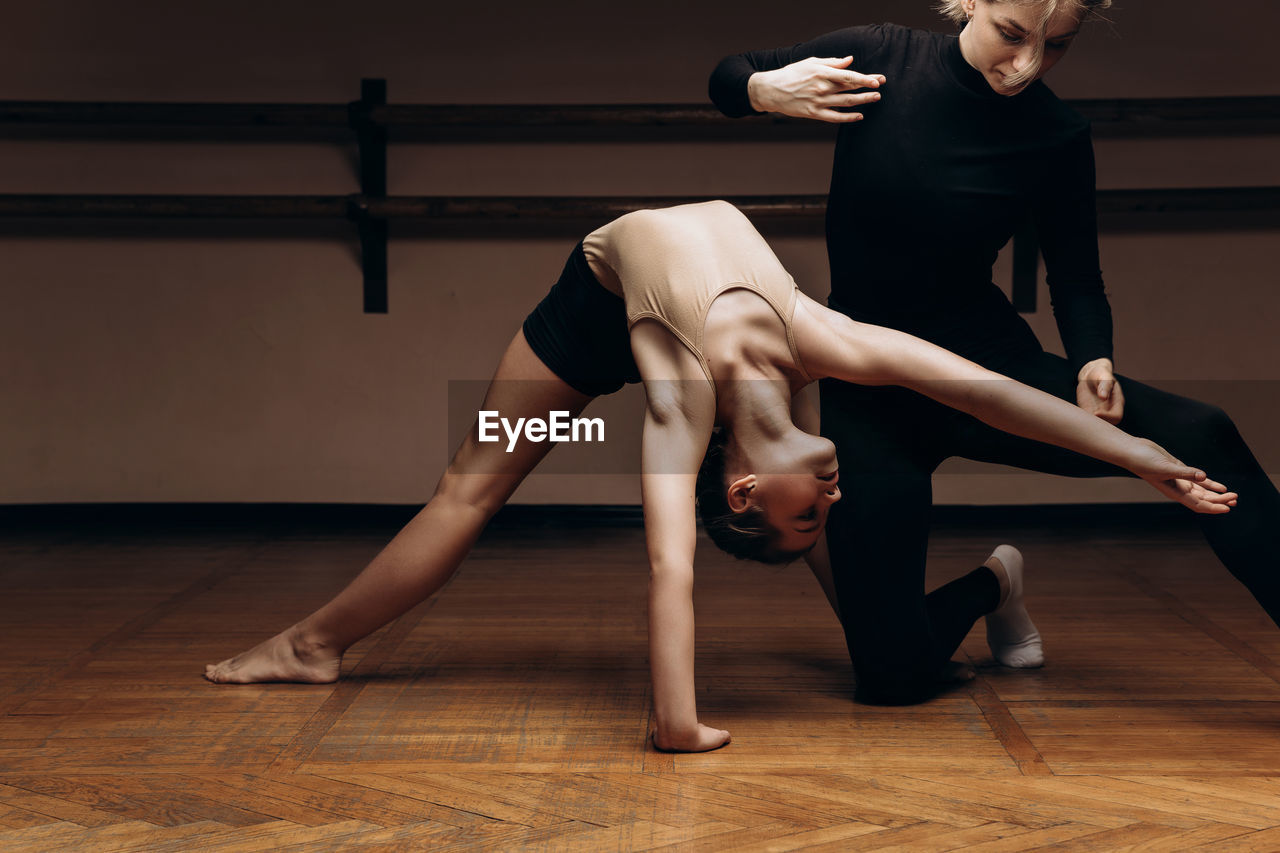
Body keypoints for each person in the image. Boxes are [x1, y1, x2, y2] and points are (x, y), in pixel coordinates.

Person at [205, 200, 1233, 751]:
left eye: (809, 511)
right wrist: (1135, 452)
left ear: (743, 490)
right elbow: (977, 389)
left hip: (626, 325)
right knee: (475, 476)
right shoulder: (808, 347)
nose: (835, 496)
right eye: (821, 513)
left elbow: (986, 394)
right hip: (591, 323)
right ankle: (307, 645)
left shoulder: (692, 410)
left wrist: (1137, 454)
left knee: (884, 654)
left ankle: (944, 609)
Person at [709, 0, 1278, 704]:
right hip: (871, 393)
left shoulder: (1057, 133)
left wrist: (1094, 357)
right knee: (891, 678)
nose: (1028, 65)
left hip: (991, 371)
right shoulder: (882, 57)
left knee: (1204, 432)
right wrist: (764, 90)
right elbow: (728, 77)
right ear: (970, 3)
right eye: (1012, 35)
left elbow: (1075, 276)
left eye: (1058, 46)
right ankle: (996, 582)